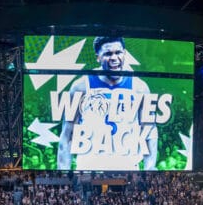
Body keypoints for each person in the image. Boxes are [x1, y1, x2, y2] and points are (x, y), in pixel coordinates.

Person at [57, 36, 158, 171]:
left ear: (125, 53)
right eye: (108, 54)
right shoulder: (81, 86)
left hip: (127, 170)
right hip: (89, 169)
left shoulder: (139, 87)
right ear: (98, 57)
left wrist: (149, 170)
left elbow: (149, 132)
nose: (114, 58)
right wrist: (63, 175)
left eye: (118, 52)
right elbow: (67, 136)